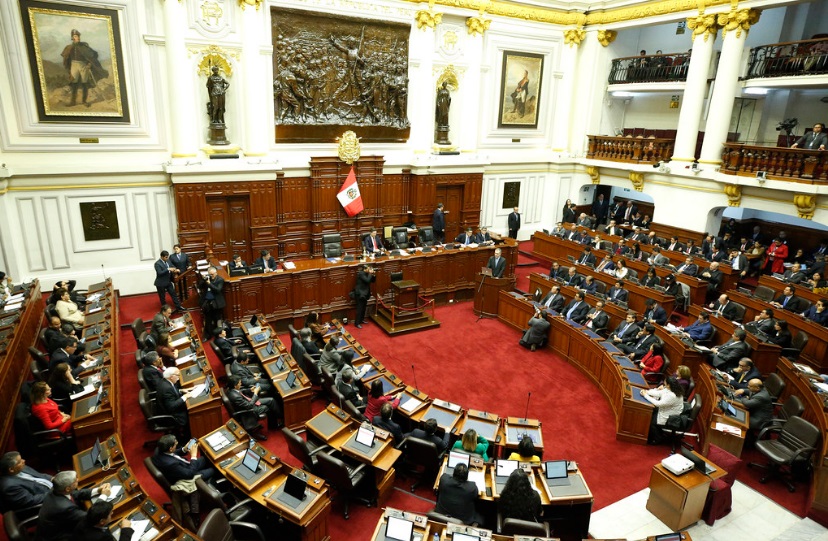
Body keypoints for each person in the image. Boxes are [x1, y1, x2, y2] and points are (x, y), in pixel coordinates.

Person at [37, 471, 110, 541]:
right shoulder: (65, 507)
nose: (77, 480)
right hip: (61, 536)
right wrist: (103, 496)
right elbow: (91, 516)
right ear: (67, 488)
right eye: (75, 481)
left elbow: (75, 494)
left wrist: (97, 490)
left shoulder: (56, 490)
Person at [61, 29, 107, 108]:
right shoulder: (69, 47)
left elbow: (94, 54)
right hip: (73, 65)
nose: (78, 38)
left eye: (78, 36)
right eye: (76, 36)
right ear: (72, 37)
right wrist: (69, 66)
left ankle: (84, 101)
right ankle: (73, 102)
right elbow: (66, 57)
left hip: (83, 66)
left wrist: (89, 64)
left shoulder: (84, 46)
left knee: (84, 83)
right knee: (74, 83)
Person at [151, 434, 215, 484]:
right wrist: (193, 456)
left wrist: (184, 448)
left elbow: (173, 453)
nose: (177, 445)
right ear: (170, 448)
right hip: (188, 477)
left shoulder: (160, 449)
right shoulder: (171, 464)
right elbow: (190, 474)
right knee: (214, 469)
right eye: (175, 445)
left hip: (185, 466)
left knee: (206, 458)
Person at [642, 377, 685, 444]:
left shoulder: (672, 396)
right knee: (651, 412)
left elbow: (658, 404)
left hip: (670, 416)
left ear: (669, 385)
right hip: (666, 410)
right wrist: (647, 392)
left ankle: (657, 439)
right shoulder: (670, 389)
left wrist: (645, 395)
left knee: (651, 422)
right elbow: (659, 393)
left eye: (665, 383)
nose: (664, 383)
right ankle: (659, 433)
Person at [156, 367, 193, 440]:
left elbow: (172, 392)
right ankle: (187, 438)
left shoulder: (164, 381)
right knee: (191, 412)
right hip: (171, 415)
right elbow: (171, 406)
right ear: (171, 377)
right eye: (178, 375)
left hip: (165, 408)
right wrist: (184, 397)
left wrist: (180, 390)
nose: (179, 378)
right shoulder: (167, 388)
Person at [200, 266, 225, 338]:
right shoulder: (208, 278)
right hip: (207, 302)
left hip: (216, 302)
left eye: (212, 274)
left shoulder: (220, 279)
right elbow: (200, 286)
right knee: (208, 319)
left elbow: (218, 290)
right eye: (210, 274)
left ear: (216, 273)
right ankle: (208, 335)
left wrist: (209, 283)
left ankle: (218, 335)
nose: (211, 276)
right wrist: (203, 279)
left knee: (217, 318)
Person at [352, 264, 376, 328]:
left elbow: (373, 281)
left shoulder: (367, 274)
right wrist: (370, 273)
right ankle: (357, 323)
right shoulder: (361, 273)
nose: (369, 270)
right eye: (368, 268)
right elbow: (367, 281)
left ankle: (361, 320)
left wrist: (373, 275)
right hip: (360, 293)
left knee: (363, 308)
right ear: (365, 269)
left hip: (365, 293)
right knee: (359, 309)